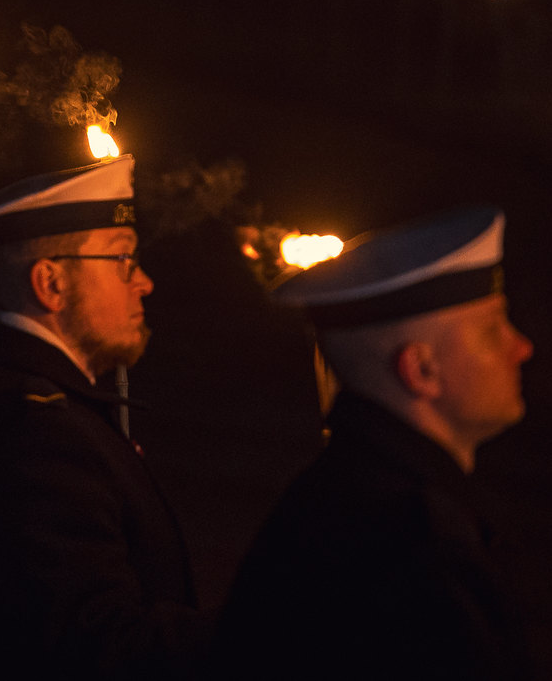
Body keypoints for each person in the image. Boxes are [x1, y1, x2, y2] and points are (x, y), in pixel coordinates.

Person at [0, 155, 208, 679]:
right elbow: (97, 646)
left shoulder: (22, 400)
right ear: (51, 283)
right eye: (123, 260)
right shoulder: (36, 434)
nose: (144, 283)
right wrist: (260, 632)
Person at [215, 206, 535, 679]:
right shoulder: (410, 549)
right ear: (421, 370)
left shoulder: (352, 501)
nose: (522, 347)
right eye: (492, 331)